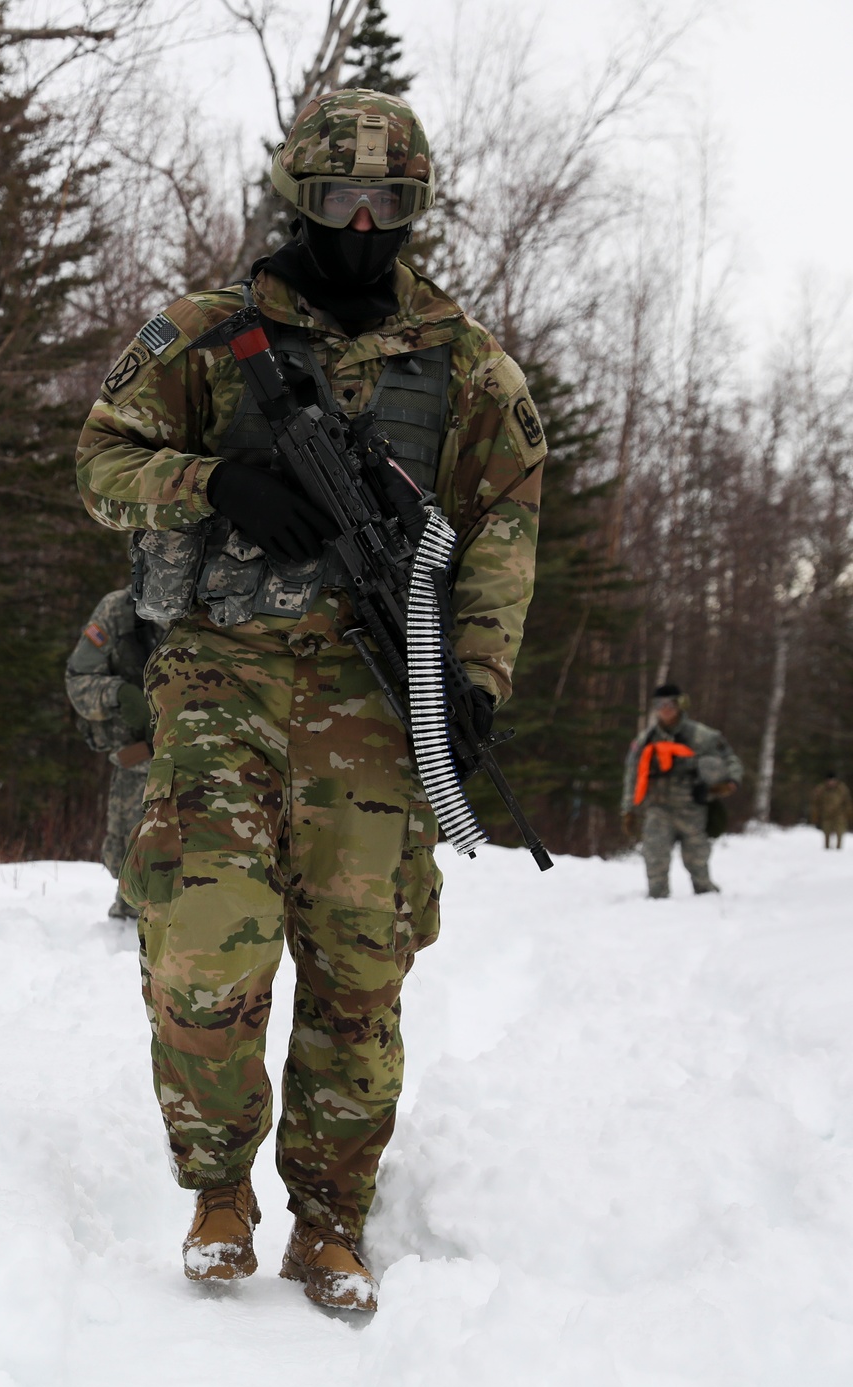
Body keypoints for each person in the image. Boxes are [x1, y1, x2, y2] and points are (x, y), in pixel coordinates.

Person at [75, 89, 546, 1312]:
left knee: (359, 970)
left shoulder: (463, 364)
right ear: (294, 197)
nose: (358, 222)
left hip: (374, 696)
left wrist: (474, 680)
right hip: (220, 675)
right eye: (337, 199)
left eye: (385, 203)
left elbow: (500, 529)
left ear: (415, 208)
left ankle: (330, 1219)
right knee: (202, 946)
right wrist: (214, 481)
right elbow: (99, 461)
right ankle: (218, 1193)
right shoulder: (203, 331)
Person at [65, 586, 164, 918]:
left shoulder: (222, 598)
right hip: (141, 761)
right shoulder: (120, 610)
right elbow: (79, 681)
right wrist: (118, 694)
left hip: (215, 758)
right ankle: (127, 924)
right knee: (128, 859)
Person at [621, 683, 742, 898]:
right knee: (654, 856)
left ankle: (708, 901)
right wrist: (628, 809)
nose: (665, 709)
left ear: (680, 705)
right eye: (660, 704)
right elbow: (632, 774)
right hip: (658, 808)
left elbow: (730, 759)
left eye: (670, 703)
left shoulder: (702, 736)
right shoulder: (645, 740)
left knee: (697, 861)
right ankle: (657, 903)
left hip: (692, 808)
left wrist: (730, 782)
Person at [809, 772, 852, 849]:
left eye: (833, 780)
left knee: (840, 831)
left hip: (839, 814)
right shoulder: (821, 789)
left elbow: (847, 802)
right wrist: (815, 816)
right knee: (826, 832)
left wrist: (849, 814)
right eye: (829, 780)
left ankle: (839, 849)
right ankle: (827, 848)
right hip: (826, 815)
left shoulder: (841, 789)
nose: (831, 782)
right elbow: (816, 803)